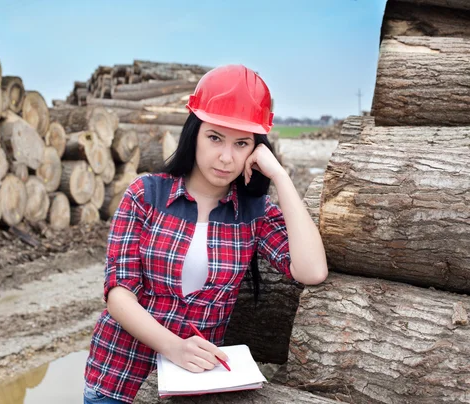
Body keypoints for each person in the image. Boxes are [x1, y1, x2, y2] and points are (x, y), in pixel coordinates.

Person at [83, 64, 328, 404]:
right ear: (194, 133)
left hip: (191, 390)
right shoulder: (146, 194)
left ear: (255, 150)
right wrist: (174, 347)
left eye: (241, 143)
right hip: (118, 381)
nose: (226, 157)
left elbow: (312, 270)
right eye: (214, 137)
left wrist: (279, 176)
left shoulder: (253, 213)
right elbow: (118, 294)